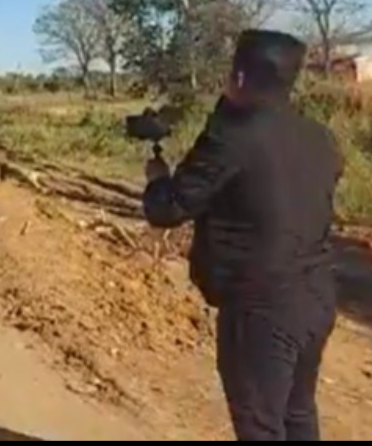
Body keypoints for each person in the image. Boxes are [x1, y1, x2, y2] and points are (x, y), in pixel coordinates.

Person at [141, 30, 341, 441]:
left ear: (241, 78)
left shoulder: (230, 138)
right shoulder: (320, 137)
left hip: (260, 306)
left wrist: (157, 178)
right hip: (316, 296)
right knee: (297, 413)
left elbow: (169, 208)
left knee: (260, 425)